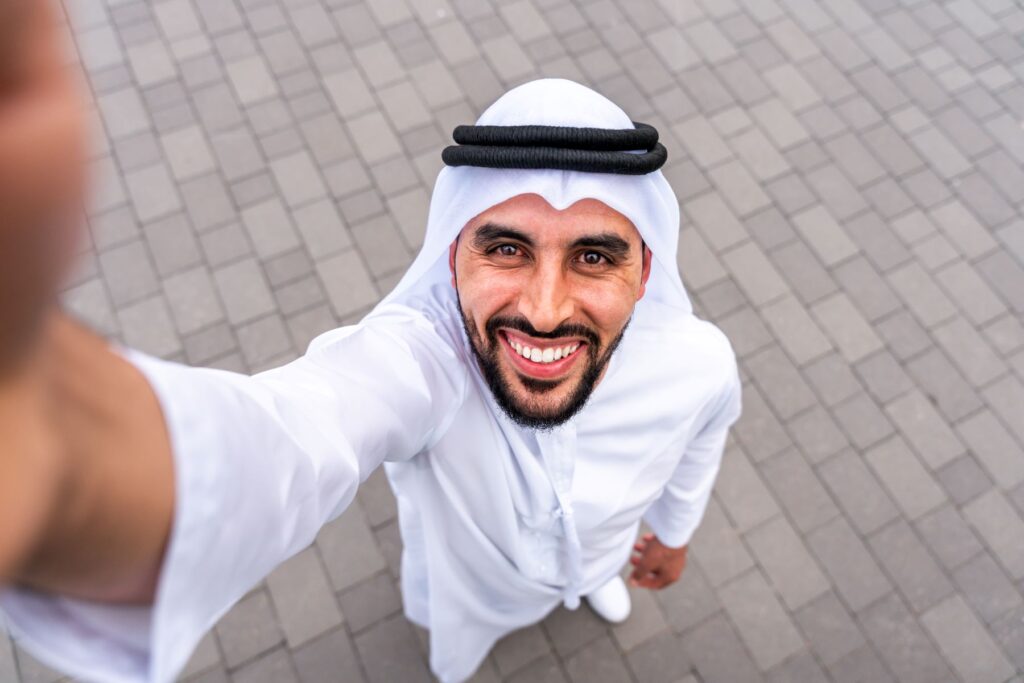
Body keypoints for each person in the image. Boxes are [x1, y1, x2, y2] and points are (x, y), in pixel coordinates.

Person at [0, 3, 741, 681]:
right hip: (473, 591)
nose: (544, 312)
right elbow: (299, 433)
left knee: (592, 574)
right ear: (453, 256)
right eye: (506, 249)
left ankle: (588, 582)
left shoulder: (699, 365)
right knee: (457, 655)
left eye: (595, 256)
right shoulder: (427, 366)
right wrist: (54, 452)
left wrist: (673, 534)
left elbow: (698, 447)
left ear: (645, 273)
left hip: (606, 553)